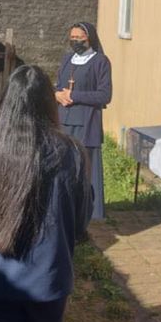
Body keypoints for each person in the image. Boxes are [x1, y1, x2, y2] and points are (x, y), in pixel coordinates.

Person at [0, 65, 93, 322]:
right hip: (47, 277)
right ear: (49, 104)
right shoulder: (72, 154)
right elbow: (81, 218)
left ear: (7, 104)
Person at [54, 22, 111, 220]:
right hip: (64, 122)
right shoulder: (67, 59)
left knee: (85, 169)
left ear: (90, 38)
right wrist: (57, 95)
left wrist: (74, 96)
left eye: (80, 38)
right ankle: (64, 208)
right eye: (73, 38)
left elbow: (104, 95)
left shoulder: (100, 61)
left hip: (86, 124)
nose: (76, 41)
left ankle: (88, 213)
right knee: (64, 167)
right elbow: (58, 86)